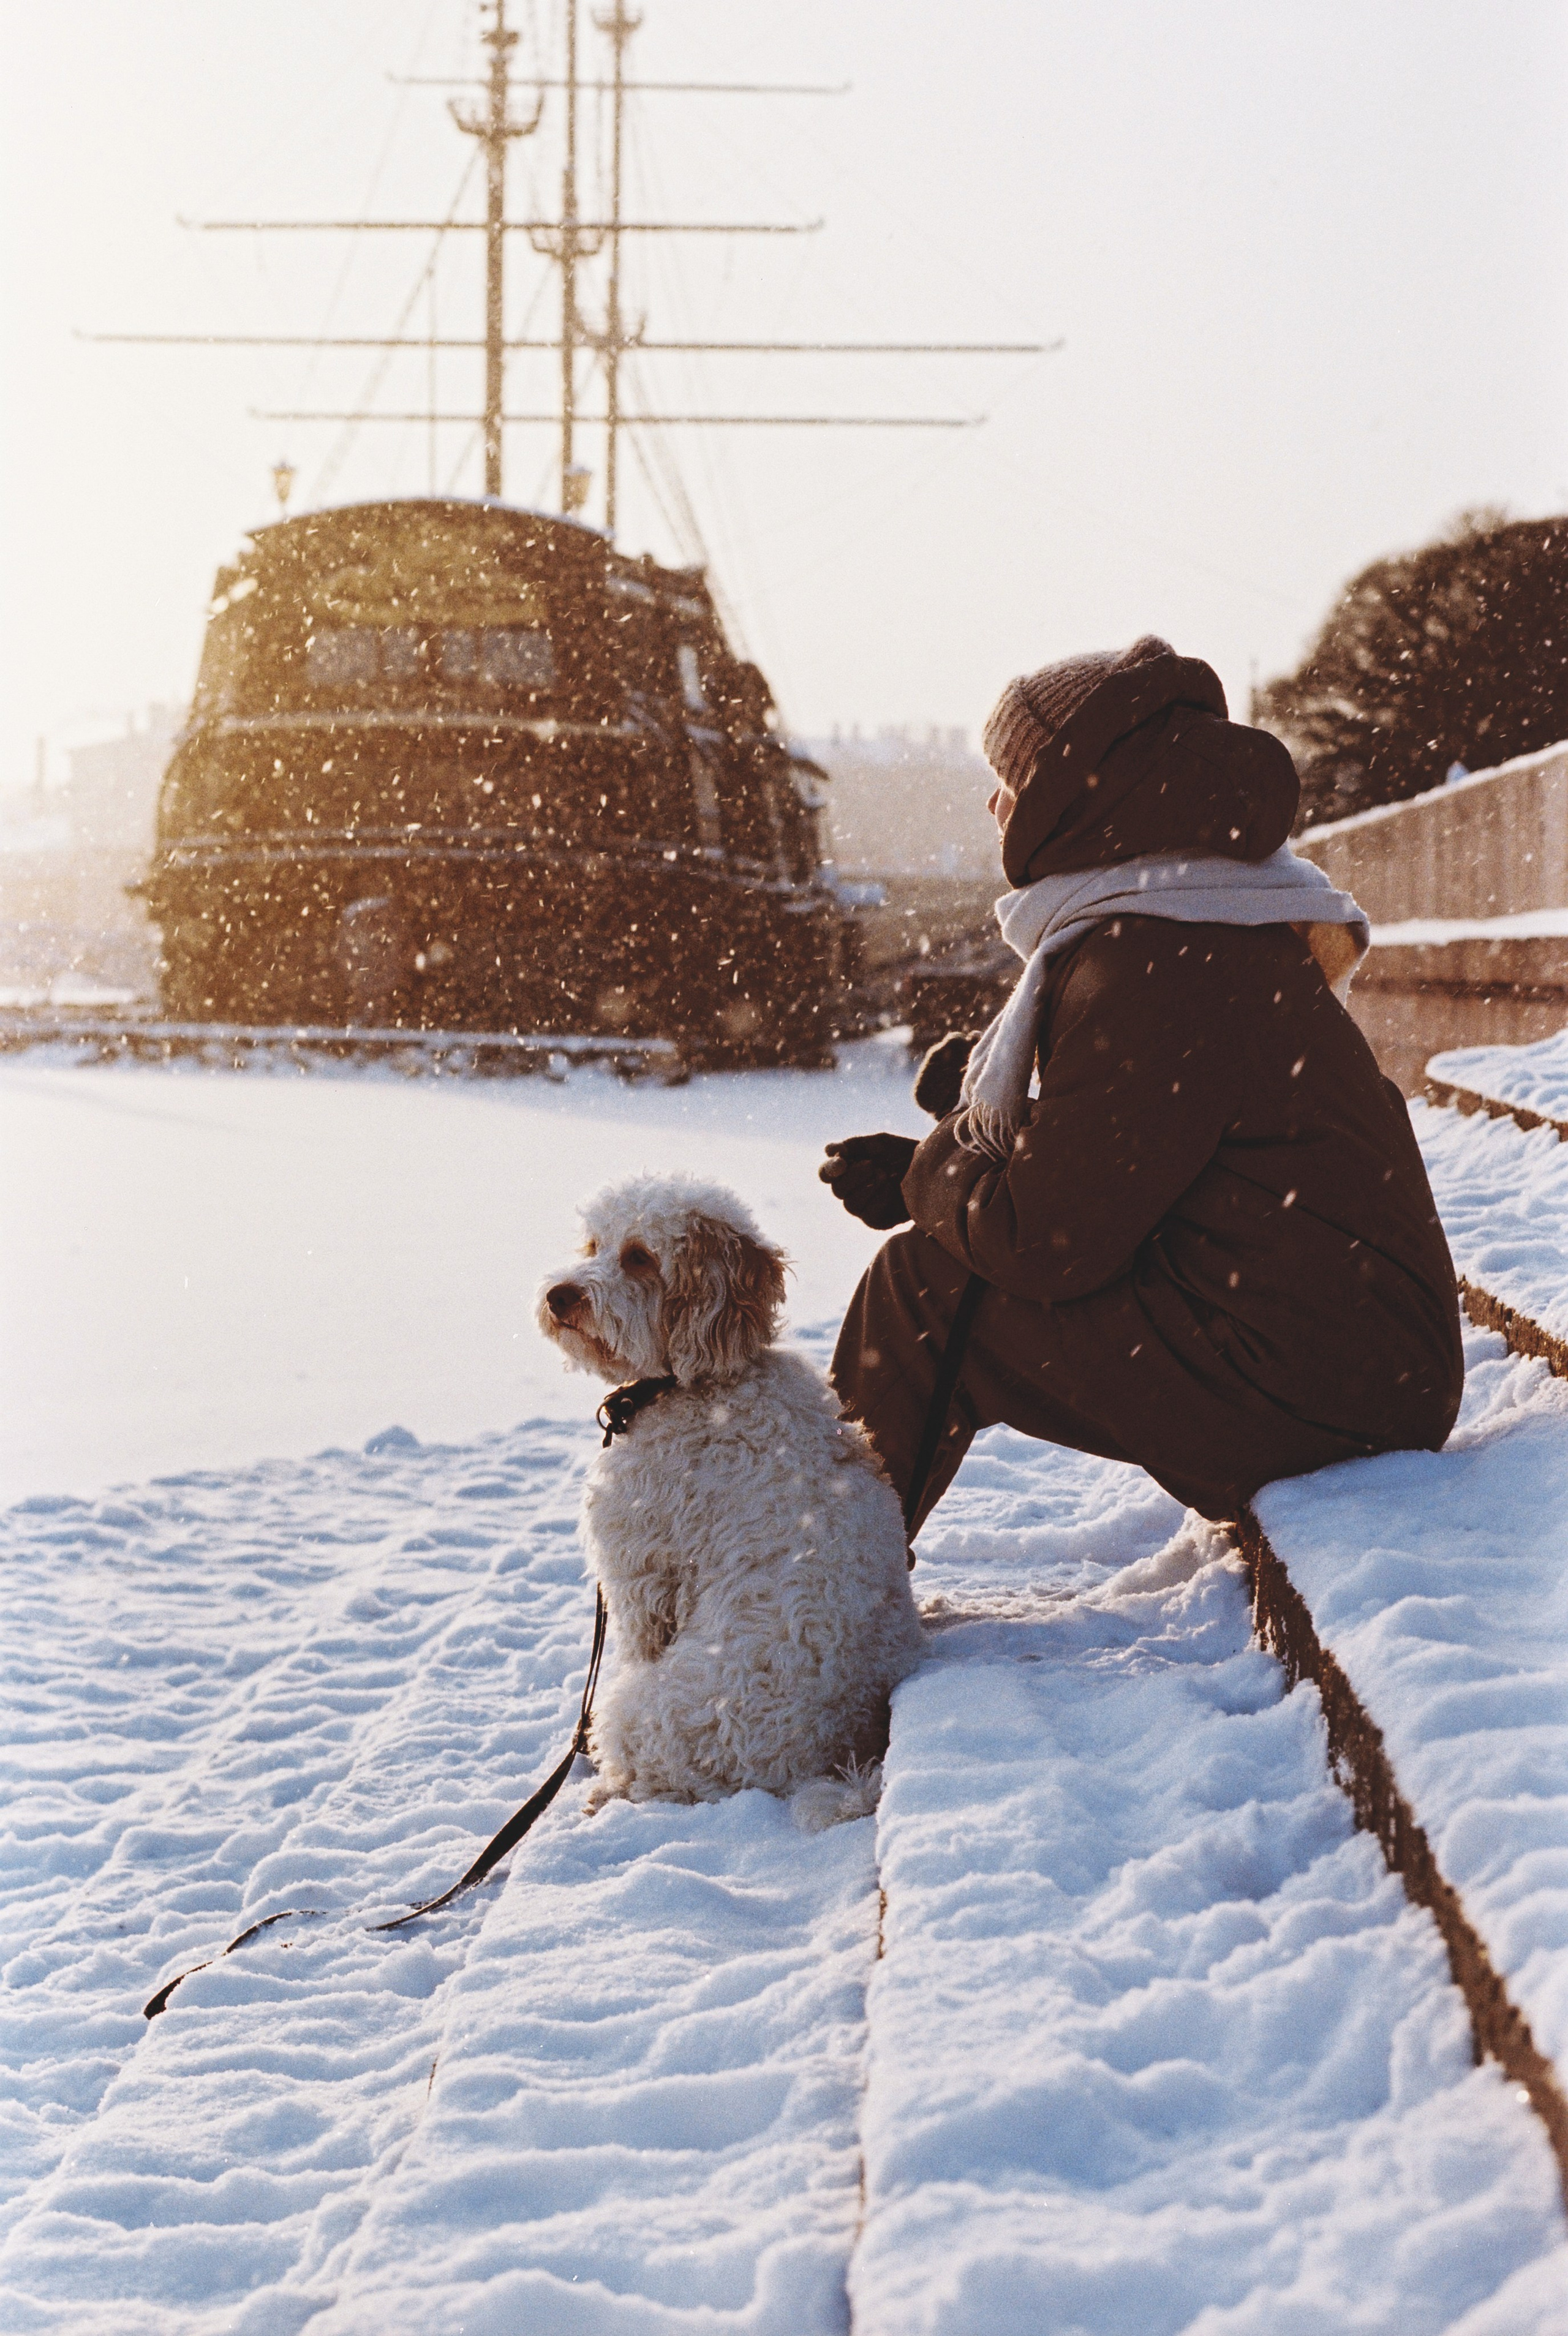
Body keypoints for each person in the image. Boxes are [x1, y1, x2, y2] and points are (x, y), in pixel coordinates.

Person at [820, 635, 1464, 1533]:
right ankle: (813, 1571)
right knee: (940, 1271)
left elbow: (1046, 1238)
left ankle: (802, 1590)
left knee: (926, 1288)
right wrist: (972, 1123)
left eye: (1007, 776)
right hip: (1351, 1361)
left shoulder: (1155, 957)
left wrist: (925, 1173)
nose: (992, 801)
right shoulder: (1201, 914)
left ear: (1062, 799)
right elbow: (1150, 1147)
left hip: (1325, 1394)